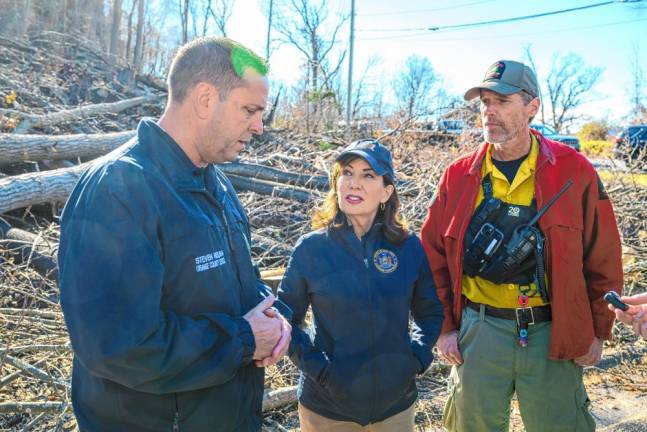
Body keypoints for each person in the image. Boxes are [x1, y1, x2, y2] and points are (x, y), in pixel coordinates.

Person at [58, 37, 291, 432]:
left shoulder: (217, 186)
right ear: (204, 98)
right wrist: (244, 339)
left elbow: (229, 291)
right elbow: (118, 346)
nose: (259, 126)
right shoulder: (120, 189)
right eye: (250, 110)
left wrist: (271, 321)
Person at [420, 60, 624, 431]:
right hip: (478, 332)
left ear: (532, 107)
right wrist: (445, 328)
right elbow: (431, 254)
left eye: (501, 100)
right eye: (484, 101)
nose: (488, 111)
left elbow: (603, 256)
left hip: (553, 330)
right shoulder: (459, 174)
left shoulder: (573, 170)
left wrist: (597, 330)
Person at [278, 139, 444, 431]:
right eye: (347, 172)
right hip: (327, 409)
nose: (354, 183)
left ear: (386, 191)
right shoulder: (312, 249)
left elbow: (429, 312)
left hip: (395, 408)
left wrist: (414, 360)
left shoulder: (408, 248)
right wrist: (321, 371)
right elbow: (286, 319)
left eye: (368, 175)